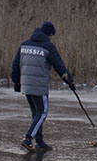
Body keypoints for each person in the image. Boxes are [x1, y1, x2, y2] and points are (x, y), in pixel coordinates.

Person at [11, 20, 75, 151]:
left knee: (36, 113)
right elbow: (59, 66)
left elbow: (15, 65)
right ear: (49, 34)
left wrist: (16, 82)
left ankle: (39, 142)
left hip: (27, 86)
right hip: (39, 87)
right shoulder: (48, 47)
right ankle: (28, 138)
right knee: (42, 113)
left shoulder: (24, 45)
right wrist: (70, 82)